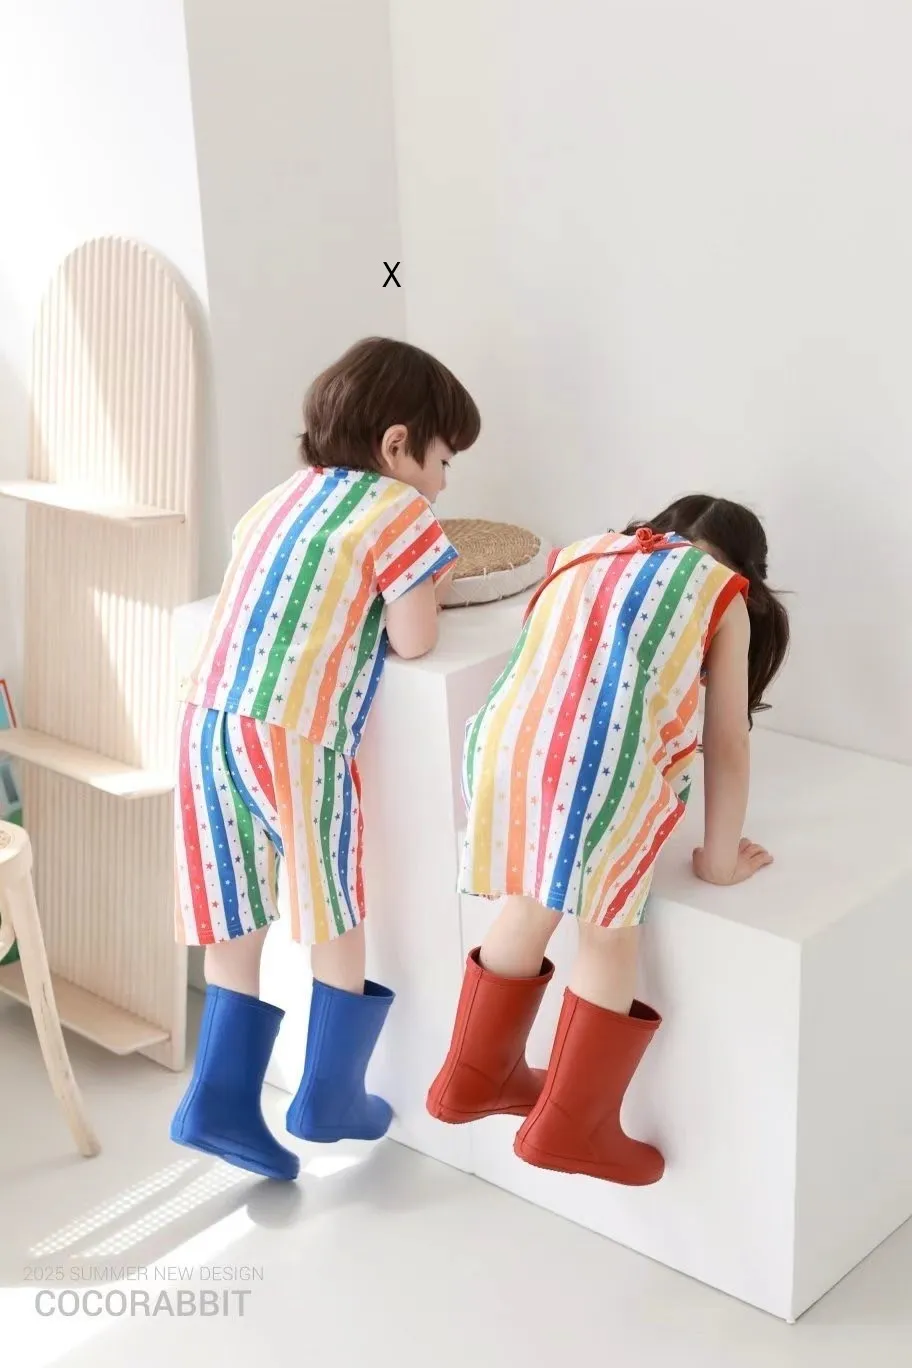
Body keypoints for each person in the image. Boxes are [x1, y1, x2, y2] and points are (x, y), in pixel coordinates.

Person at [171, 337, 480, 1180]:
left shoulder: (279, 497)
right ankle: (329, 1094)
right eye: (443, 462)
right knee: (331, 903)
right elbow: (414, 641)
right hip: (296, 731)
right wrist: (435, 582)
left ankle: (218, 1101)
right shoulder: (399, 512)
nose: (442, 484)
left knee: (233, 906)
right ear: (397, 445)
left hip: (206, 717)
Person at [427, 494, 789, 1185]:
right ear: (747, 570)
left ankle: (472, 1078)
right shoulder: (723, 593)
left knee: (530, 903)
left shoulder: (583, 554)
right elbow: (727, 744)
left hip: (506, 747)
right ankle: (572, 1127)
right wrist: (719, 861)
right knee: (608, 932)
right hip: (600, 769)